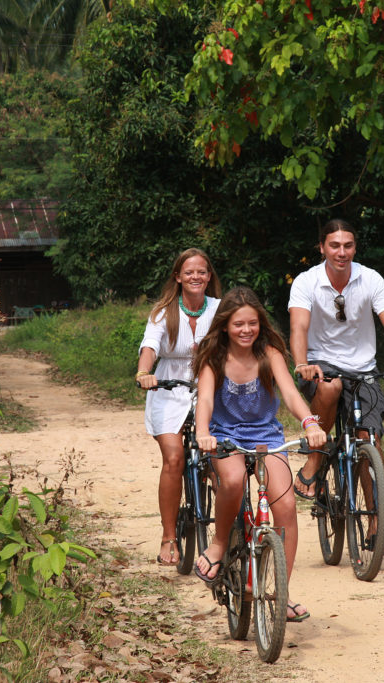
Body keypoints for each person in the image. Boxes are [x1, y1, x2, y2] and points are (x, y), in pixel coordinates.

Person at [192, 287, 326, 623]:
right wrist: (203, 433)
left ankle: (281, 593)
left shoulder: (269, 353)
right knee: (234, 480)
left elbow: (292, 395)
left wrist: (310, 422)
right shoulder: (214, 357)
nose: (246, 330)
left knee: (286, 506)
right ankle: (220, 544)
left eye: (252, 323)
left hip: (266, 437)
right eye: (239, 324)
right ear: (225, 325)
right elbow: (205, 400)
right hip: (224, 437)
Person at [288, 218, 384, 555]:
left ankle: (377, 523)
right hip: (322, 364)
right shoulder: (307, 282)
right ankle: (316, 459)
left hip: (364, 368)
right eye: (334, 245)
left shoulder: (370, 278)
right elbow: (299, 328)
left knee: (369, 439)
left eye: (348, 245)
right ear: (322, 248)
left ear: (355, 248)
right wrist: (303, 363)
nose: (341, 252)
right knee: (330, 390)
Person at [135, 248, 222, 566]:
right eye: (189, 272)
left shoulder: (220, 309)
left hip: (210, 386)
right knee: (174, 458)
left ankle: (230, 531)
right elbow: (150, 346)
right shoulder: (164, 312)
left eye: (201, 271)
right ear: (178, 277)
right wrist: (145, 372)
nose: (196, 277)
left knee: (217, 459)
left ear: (209, 277)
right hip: (168, 387)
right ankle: (169, 536)